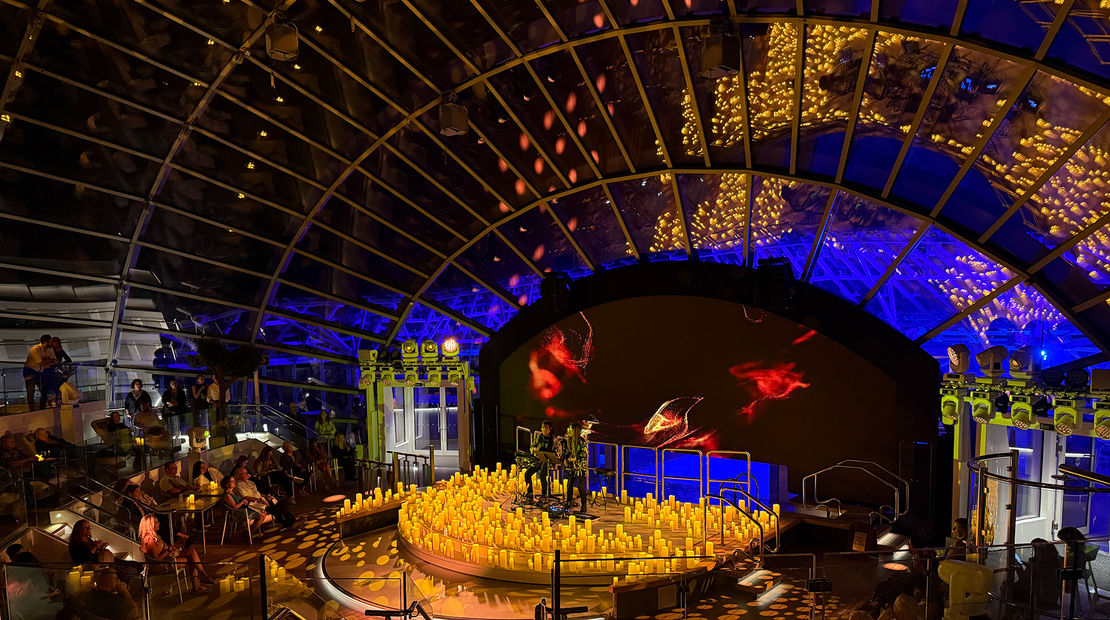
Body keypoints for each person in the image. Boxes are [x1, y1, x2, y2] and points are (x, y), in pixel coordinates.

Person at [138, 514, 210, 592]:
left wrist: (170, 549)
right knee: (191, 558)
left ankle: (201, 578)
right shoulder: (150, 540)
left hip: (166, 558)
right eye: (156, 522)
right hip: (161, 566)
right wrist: (168, 550)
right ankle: (200, 581)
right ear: (150, 525)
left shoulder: (151, 537)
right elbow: (156, 559)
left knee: (191, 551)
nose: (159, 524)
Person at [1013, 537, 1061, 611]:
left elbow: (1023, 580)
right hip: (1052, 598)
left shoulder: (1036, 566)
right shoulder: (1056, 564)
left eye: (1034, 549)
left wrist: (1018, 567)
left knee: (1008, 588)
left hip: (1036, 598)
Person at [23, 334, 55, 411]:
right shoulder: (35, 349)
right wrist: (50, 360)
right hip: (30, 371)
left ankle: (42, 409)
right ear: (45, 342)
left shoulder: (50, 349)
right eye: (50, 341)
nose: (52, 343)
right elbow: (41, 362)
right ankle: (32, 410)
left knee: (44, 391)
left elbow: (55, 361)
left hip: (40, 372)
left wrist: (47, 361)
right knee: (31, 393)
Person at [563, 421, 589, 514]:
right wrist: (565, 459)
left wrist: (576, 458)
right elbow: (567, 451)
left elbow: (584, 454)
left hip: (580, 467)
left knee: (581, 486)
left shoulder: (581, 441)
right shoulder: (568, 440)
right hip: (572, 466)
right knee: (569, 484)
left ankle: (584, 504)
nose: (568, 430)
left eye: (570, 429)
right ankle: (568, 501)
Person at [525, 420, 555, 502]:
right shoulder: (540, 436)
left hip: (547, 461)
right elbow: (534, 445)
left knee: (542, 474)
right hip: (538, 460)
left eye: (546, 428)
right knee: (527, 473)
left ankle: (544, 494)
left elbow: (554, 452)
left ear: (550, 429)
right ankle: (530, 492)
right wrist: (533, 449)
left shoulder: (553, 439)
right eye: (543, 427)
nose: (544, 429)